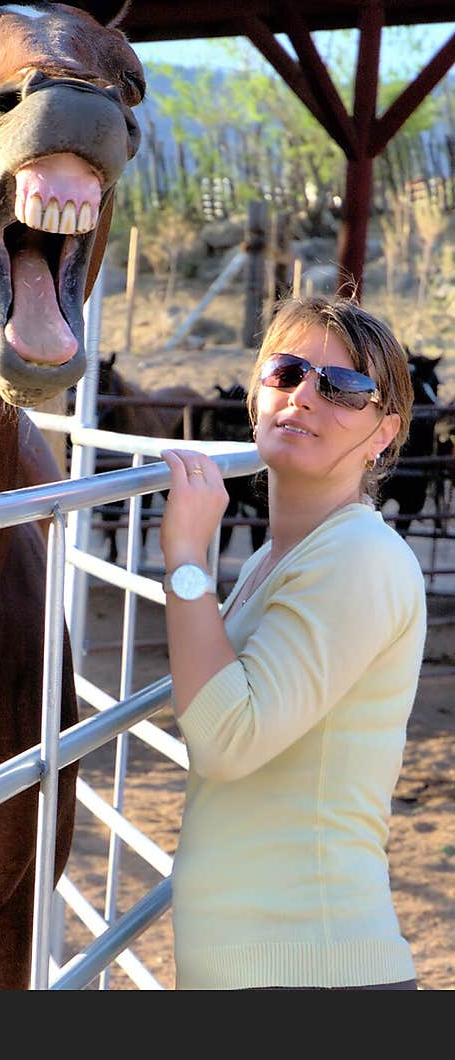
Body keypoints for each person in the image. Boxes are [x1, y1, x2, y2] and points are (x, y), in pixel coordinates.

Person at [159, 294, 425, 991]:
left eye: (345, 388)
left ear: (383, 435)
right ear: (255, 396)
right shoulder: (272, 562)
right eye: (287, 371)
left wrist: (187, 555)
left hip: (315, 972)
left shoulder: (360, 556)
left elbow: (227, 738)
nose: (306, 395)